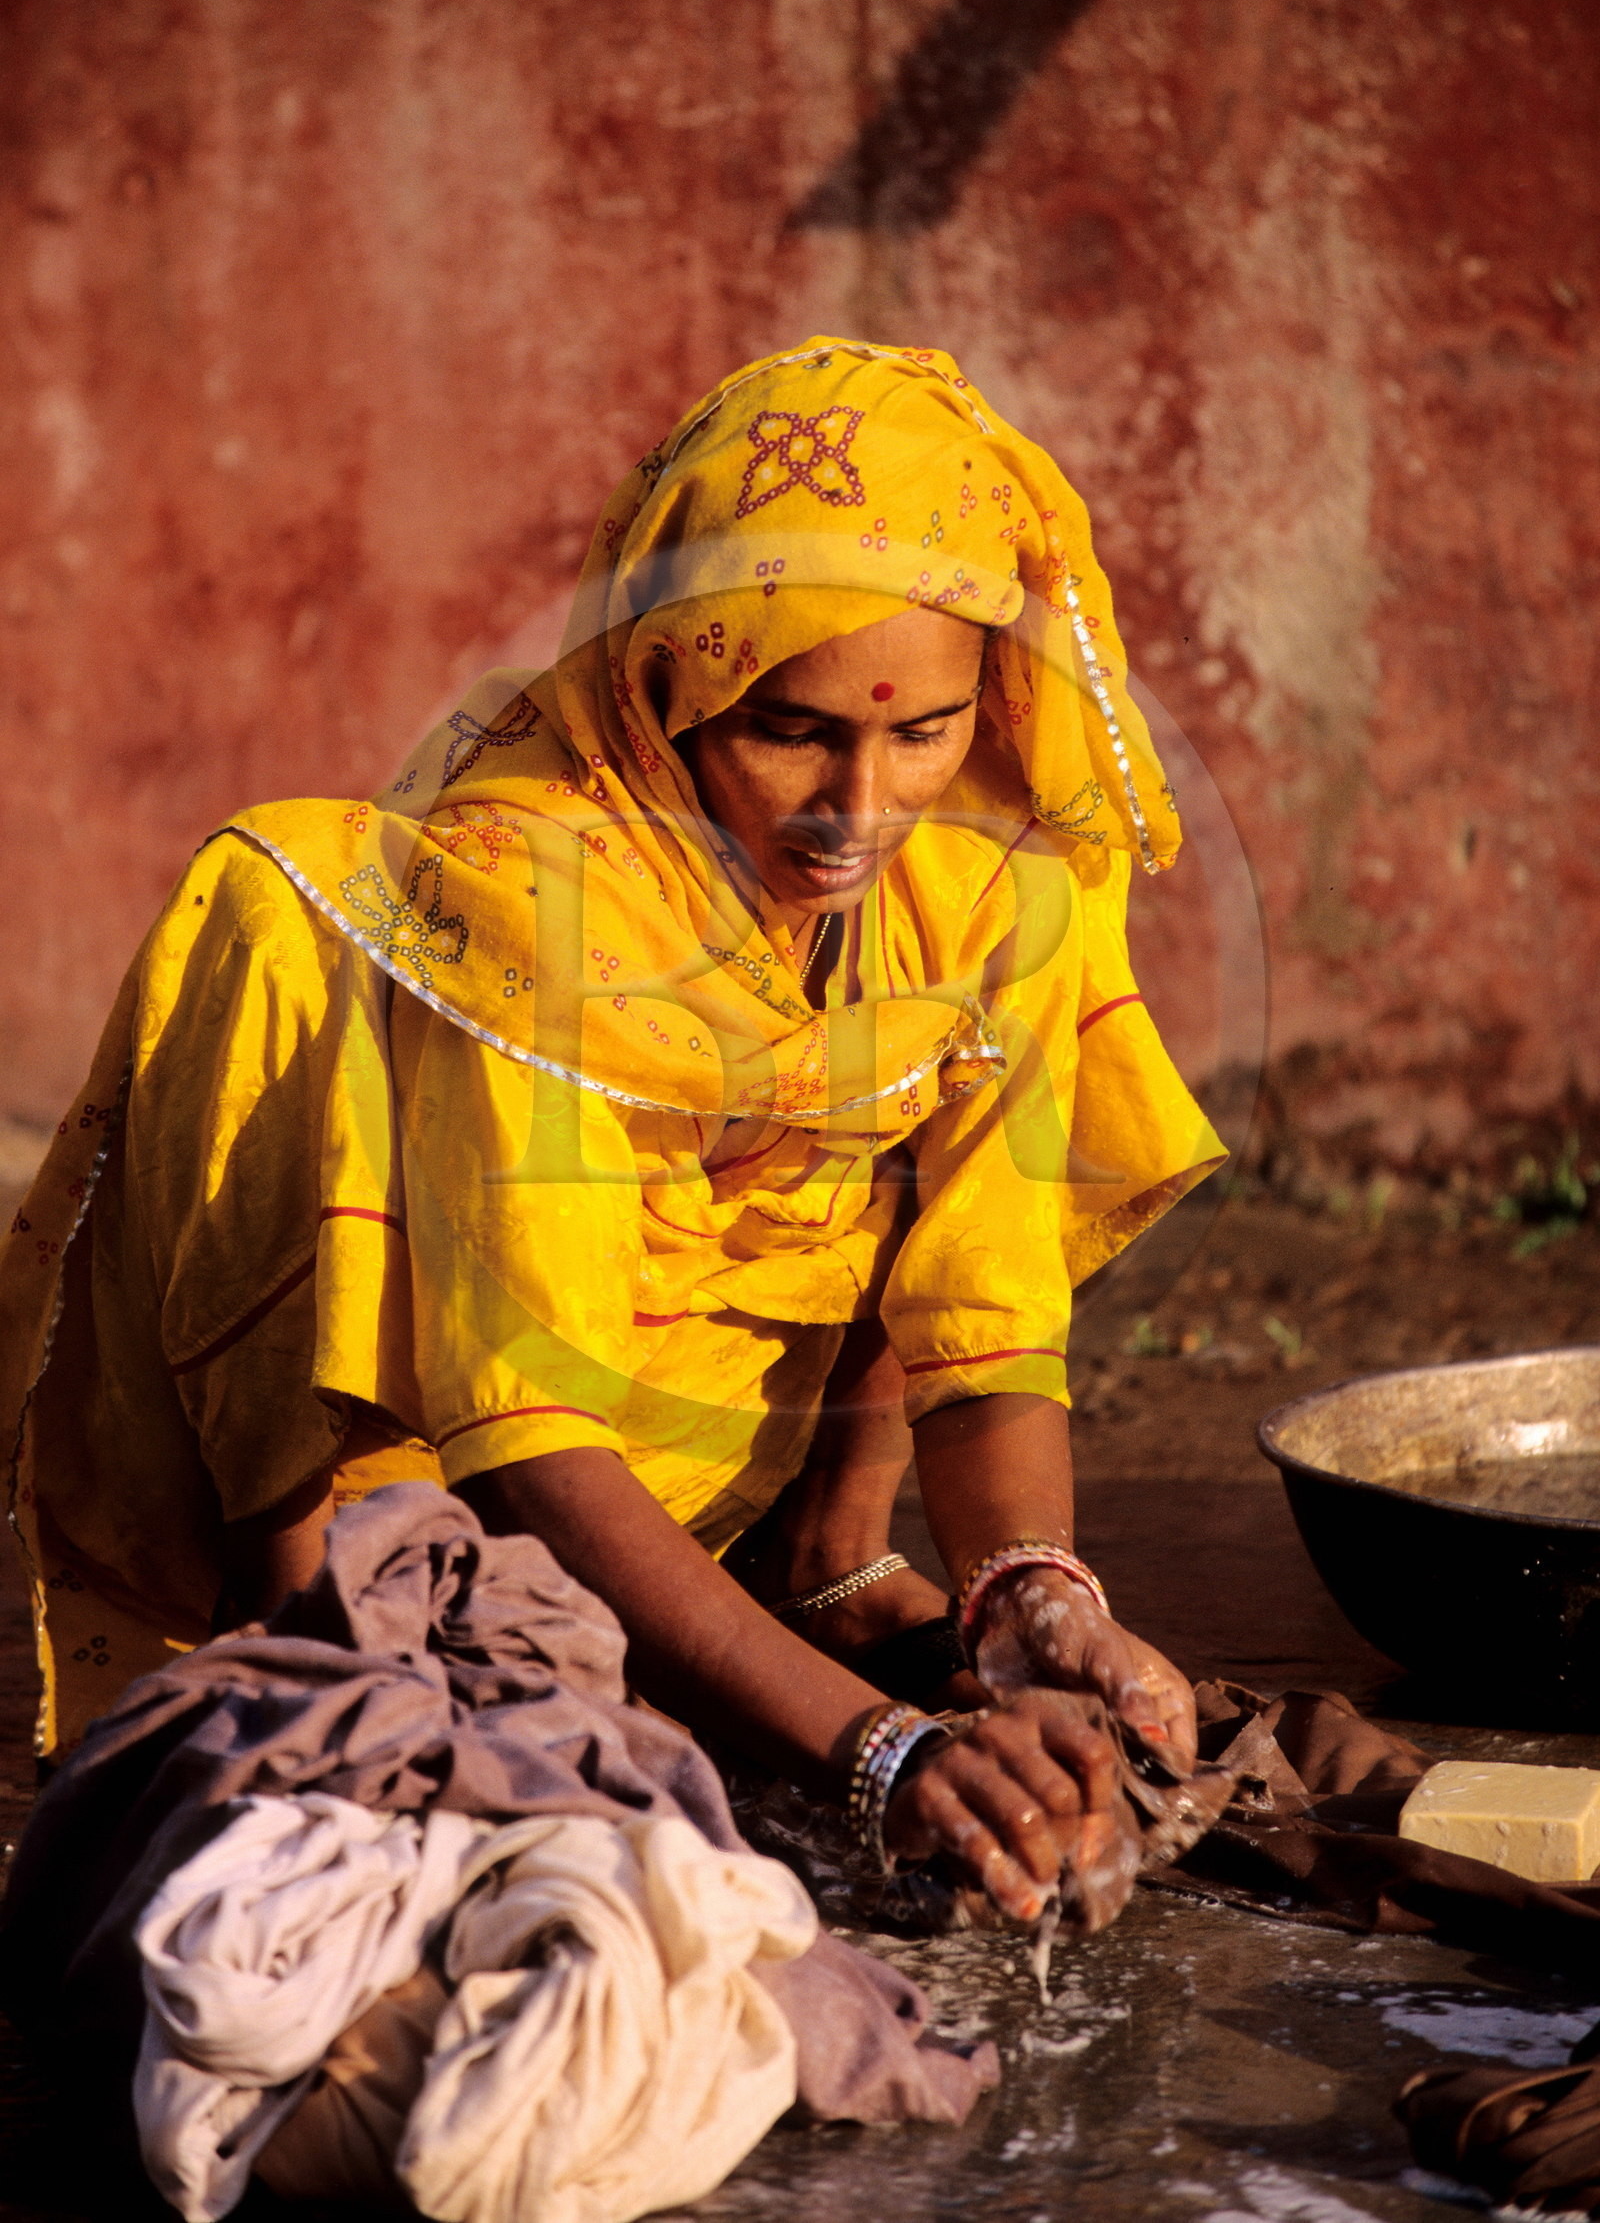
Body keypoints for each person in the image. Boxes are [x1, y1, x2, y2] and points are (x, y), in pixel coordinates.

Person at [1, 339, 1223, 1925]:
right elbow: (534, 1441)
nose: (857, 807)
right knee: (289, 894)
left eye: (919, 732)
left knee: (905, 1058)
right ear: (669, 684)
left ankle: (819, 1569)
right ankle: (316, 1626)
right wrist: (879, 1753)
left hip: (701, 1509)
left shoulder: (993, 896)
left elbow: (986, 1317)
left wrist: (1034, 1596)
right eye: (791, 728)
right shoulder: (533, 893)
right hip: (460, 1483)